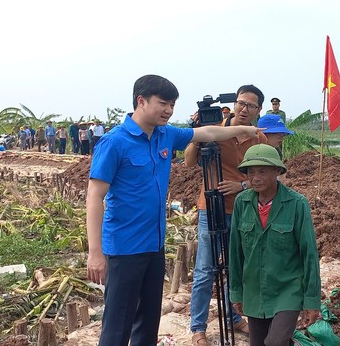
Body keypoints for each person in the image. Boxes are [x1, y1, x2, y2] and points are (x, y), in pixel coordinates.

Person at [85, 74, 261, 346]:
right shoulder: (114, 142)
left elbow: (207, 133)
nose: (168, 110)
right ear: (141, 101)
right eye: (163, 103)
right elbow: (95, 197)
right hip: (123, 248)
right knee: (117, 326)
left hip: (154, 245)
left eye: (172, 105)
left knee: (148, 321)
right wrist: (95, 253)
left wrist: (243, 130)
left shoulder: (165, 135)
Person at [186, 85, 268, 345]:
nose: (244, 109)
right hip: (210, 207)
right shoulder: (213, 130)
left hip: (244, 209)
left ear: (258, 110)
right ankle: (197, 327)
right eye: (241, 103)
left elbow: (266, 175)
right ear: (234, 104)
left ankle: (232, 316)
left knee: (235, 268)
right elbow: (189, 162)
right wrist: (196, 136)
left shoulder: (258, 139)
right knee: (204, 269)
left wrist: (241, 185)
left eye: (251, 106)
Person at [230, 144, 321, 346]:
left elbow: (309, 254)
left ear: (278, 171)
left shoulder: (297, 204)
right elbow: (235, 252)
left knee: (274, 343)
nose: (255, 178)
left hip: (288, 288)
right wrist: (236, 292)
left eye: (263, 171)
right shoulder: (241, 203)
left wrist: (312, 301)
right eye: (251, 172)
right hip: (254, 289)